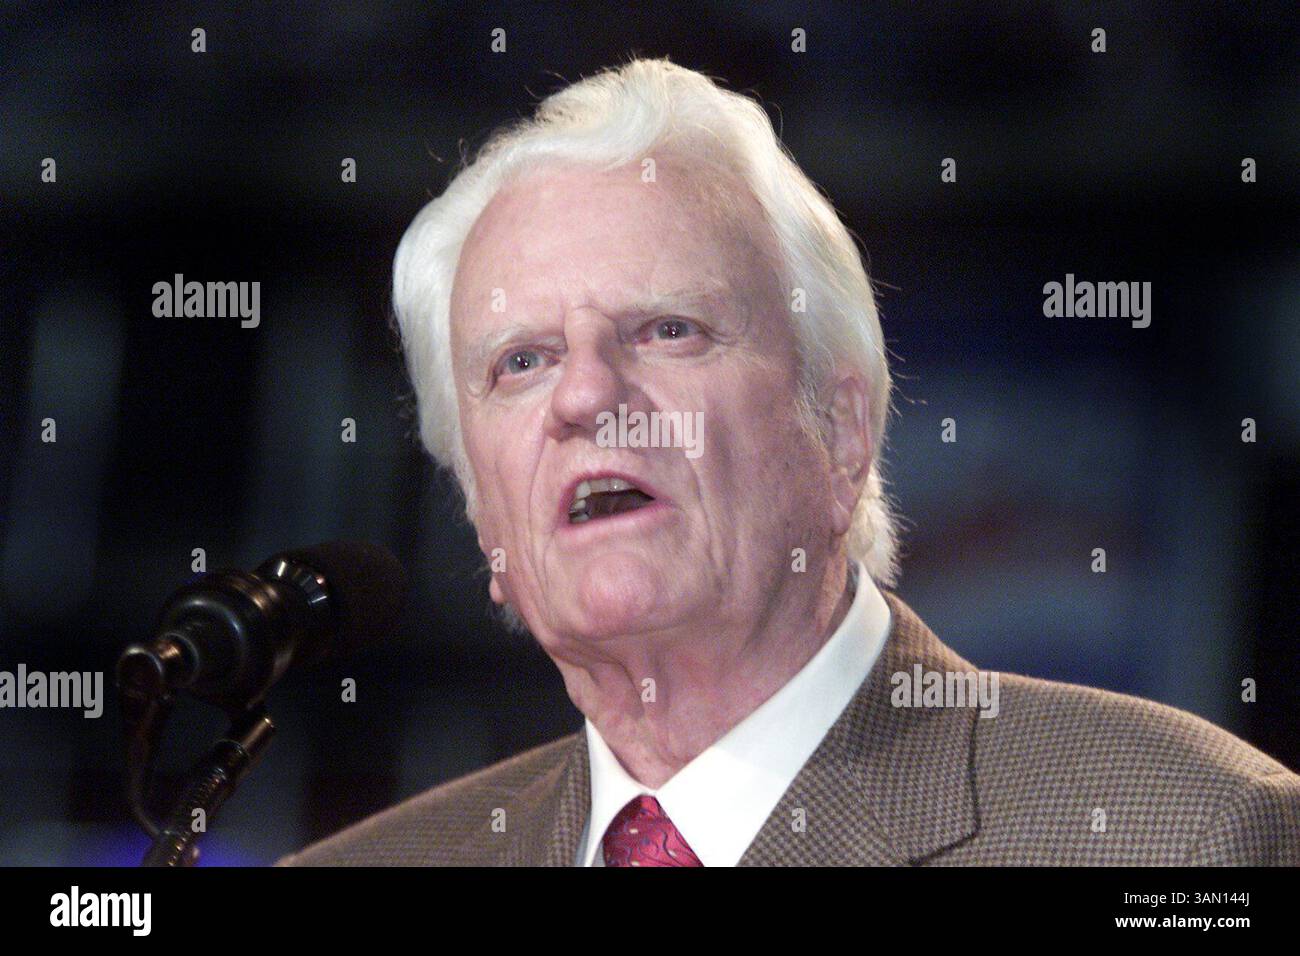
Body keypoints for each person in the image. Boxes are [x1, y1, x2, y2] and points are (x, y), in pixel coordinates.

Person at [280, 58, 1300, 866]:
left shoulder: (1182, 835)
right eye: (521, 362)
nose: (585, 396)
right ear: (479, 510)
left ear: (842, 432)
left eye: (668, 330)